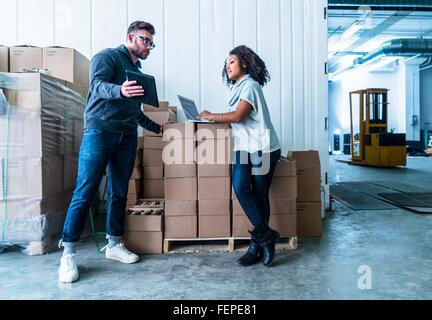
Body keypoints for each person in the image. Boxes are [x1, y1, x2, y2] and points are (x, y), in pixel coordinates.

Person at [58, 21, 162, 283]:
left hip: (126, 137)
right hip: (100, 133)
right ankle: (68, 255)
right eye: (144, 40)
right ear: (130, 37)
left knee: (119, 192)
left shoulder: (137, 71)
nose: (149, 46)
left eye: (151, 42)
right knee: (85, 192)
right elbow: (96, 86)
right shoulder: (107, 56)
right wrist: (120, 89)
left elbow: (134, 112)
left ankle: (114, 244)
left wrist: (159, 128)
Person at [198, 45, 282, 267]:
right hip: (245, 146)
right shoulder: (237, 88)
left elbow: (237, 116)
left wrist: (210, 115)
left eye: (232, 62)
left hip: (263, 147)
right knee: (241, 187)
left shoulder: (250, 86)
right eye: (226, 64)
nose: (227, 66)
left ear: (244, 63)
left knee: (260, 193)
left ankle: (257, 244)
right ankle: (266, 236)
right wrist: (209, 119)